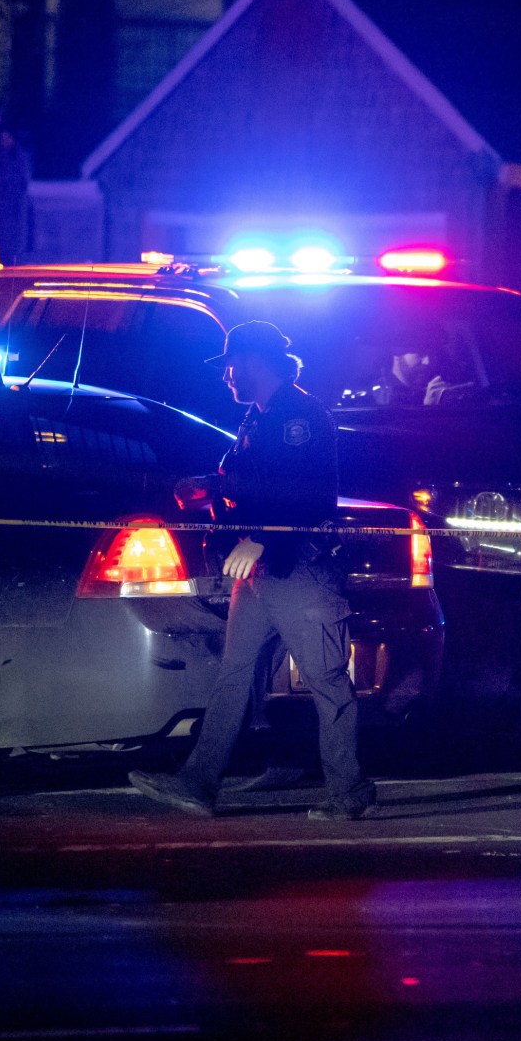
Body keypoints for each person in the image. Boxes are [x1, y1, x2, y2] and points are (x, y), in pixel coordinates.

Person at [130, 321, 376, 820]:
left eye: (231, 365)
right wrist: (210, 484)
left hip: (300, 571)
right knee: (235, 675)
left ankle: (349, 790)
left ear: (256, 361)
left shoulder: (300, 417)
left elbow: (310, 496)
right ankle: (198, 783)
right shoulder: (260, 419)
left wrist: (263, 537)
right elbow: (256, 479)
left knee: (327, 680)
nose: (226, 376)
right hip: (261, 572)